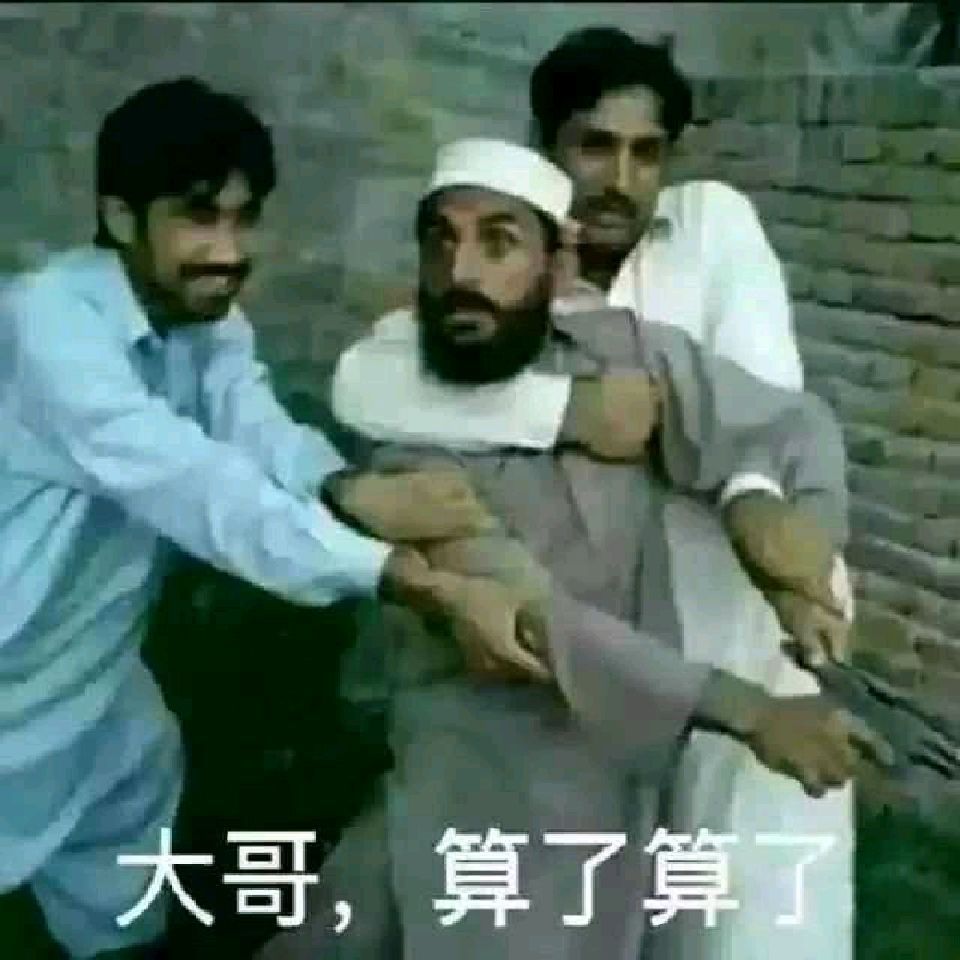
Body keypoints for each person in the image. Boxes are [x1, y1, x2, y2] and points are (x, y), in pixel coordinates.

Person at [257, 138, 891, 960]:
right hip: (488, 778)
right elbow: (534, 623)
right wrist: (756, 712)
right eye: (441, 242)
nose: (461, 273)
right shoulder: (411, 438)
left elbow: (789, 424)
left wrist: (784, 527)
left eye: (498, 243)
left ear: (557, 263)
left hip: (627, 766)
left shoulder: (625, 355)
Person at [0, 80, 543, 960]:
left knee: (133, 813)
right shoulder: (49, 323)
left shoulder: (208, 321)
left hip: (91, 677)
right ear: (121, 216)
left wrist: (346, 489)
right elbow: (195, 481)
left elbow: (257, 430)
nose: (228, 251)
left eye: (244, 219)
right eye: (198, 218)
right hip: (10, 665)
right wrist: (413, 582)